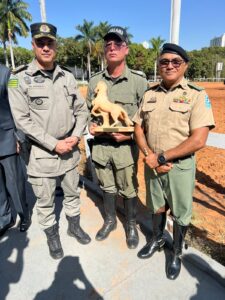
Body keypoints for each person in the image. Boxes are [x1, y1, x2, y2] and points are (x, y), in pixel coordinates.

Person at [8, 22, 91, 259]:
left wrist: (75, 136)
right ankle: (52, 235)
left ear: (56, 45)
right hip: (41, 153)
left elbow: (82, 110)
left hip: (70, 149)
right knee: (44, 201)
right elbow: (22, 120)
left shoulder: (67, 76)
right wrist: (54, 144)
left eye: (50, 43)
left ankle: (73, 226)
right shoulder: (18, 78)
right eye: (40, 43)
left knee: (72, 192)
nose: (45, 47)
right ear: (33, 45)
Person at [133, 43, 215, 279]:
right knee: (156, 207)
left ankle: (176, 253)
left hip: (179, 166)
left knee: (180, 213)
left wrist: (161, 157)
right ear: (158, 65)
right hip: (152, 164)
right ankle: (158, 240)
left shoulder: (196, 95)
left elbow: (199, 139)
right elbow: (138, 128)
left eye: (175, 62)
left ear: (185, 66)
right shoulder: (150, 93)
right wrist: (150, 155)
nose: (169, 65)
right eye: (164, 61)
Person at [86, 26, 148, 249]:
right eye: (108, 45)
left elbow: (146, 119)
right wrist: (90, 125)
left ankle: (131, 224)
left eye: (117, 44)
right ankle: (110, 219)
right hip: (101, 147)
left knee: (129, 188)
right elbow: (87, 113)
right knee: (107, 187)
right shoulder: (94, 82)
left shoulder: (139, 82)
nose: (112, 48)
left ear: (126, 50)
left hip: (126, 148)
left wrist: (131, 137)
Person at [0, 64, 30, 237]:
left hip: (6, 138)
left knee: (14, 182)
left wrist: (19, 136)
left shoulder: (8, 75)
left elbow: (17, 106)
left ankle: (23, 215)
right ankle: (4, 219)